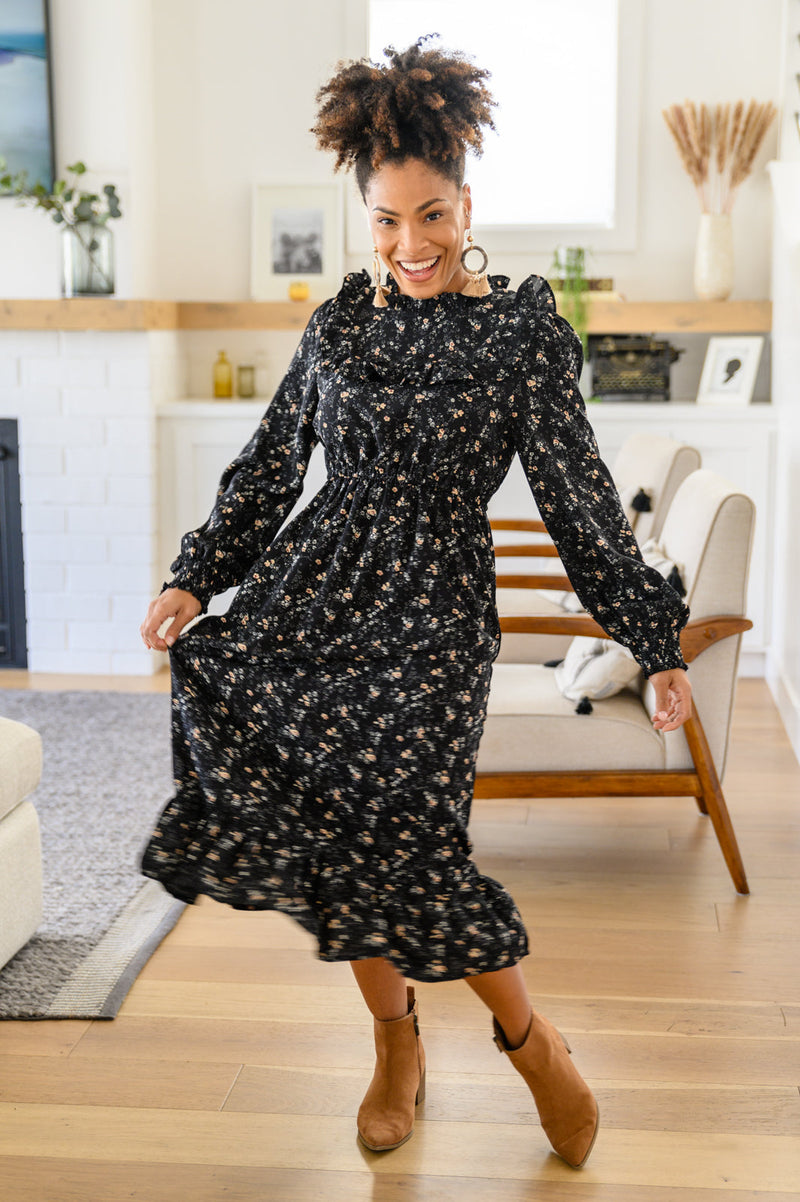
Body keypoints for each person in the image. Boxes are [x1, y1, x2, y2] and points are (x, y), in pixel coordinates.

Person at [139, 35, 692, 1170]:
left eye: (431, 215)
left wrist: (654, 639)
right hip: (315, 594)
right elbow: (271, 464)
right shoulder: (340, 321)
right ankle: (396, 1044)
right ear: (365, 218)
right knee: (343, 831)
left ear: (466, 205)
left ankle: (531, 1044)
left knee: (409, 832)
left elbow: (580, 501)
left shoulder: (520, 334)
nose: (410, 244)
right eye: (387, 221)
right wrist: (196, 573)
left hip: (436, 609)